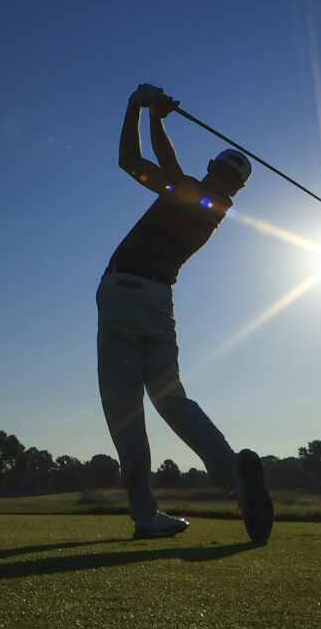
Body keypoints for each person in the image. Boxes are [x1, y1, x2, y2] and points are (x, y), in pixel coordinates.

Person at [96, 83, 274, 543]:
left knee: (124, 408)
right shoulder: (213, 206)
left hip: (124, 292)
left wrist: (147, 111)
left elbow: (153, 163)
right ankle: (232, 470)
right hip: (159, 303)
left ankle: (145, 514)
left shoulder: (197, 194)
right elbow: (134, 165)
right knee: (171, 399)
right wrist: (144, 110)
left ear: (215, 169)